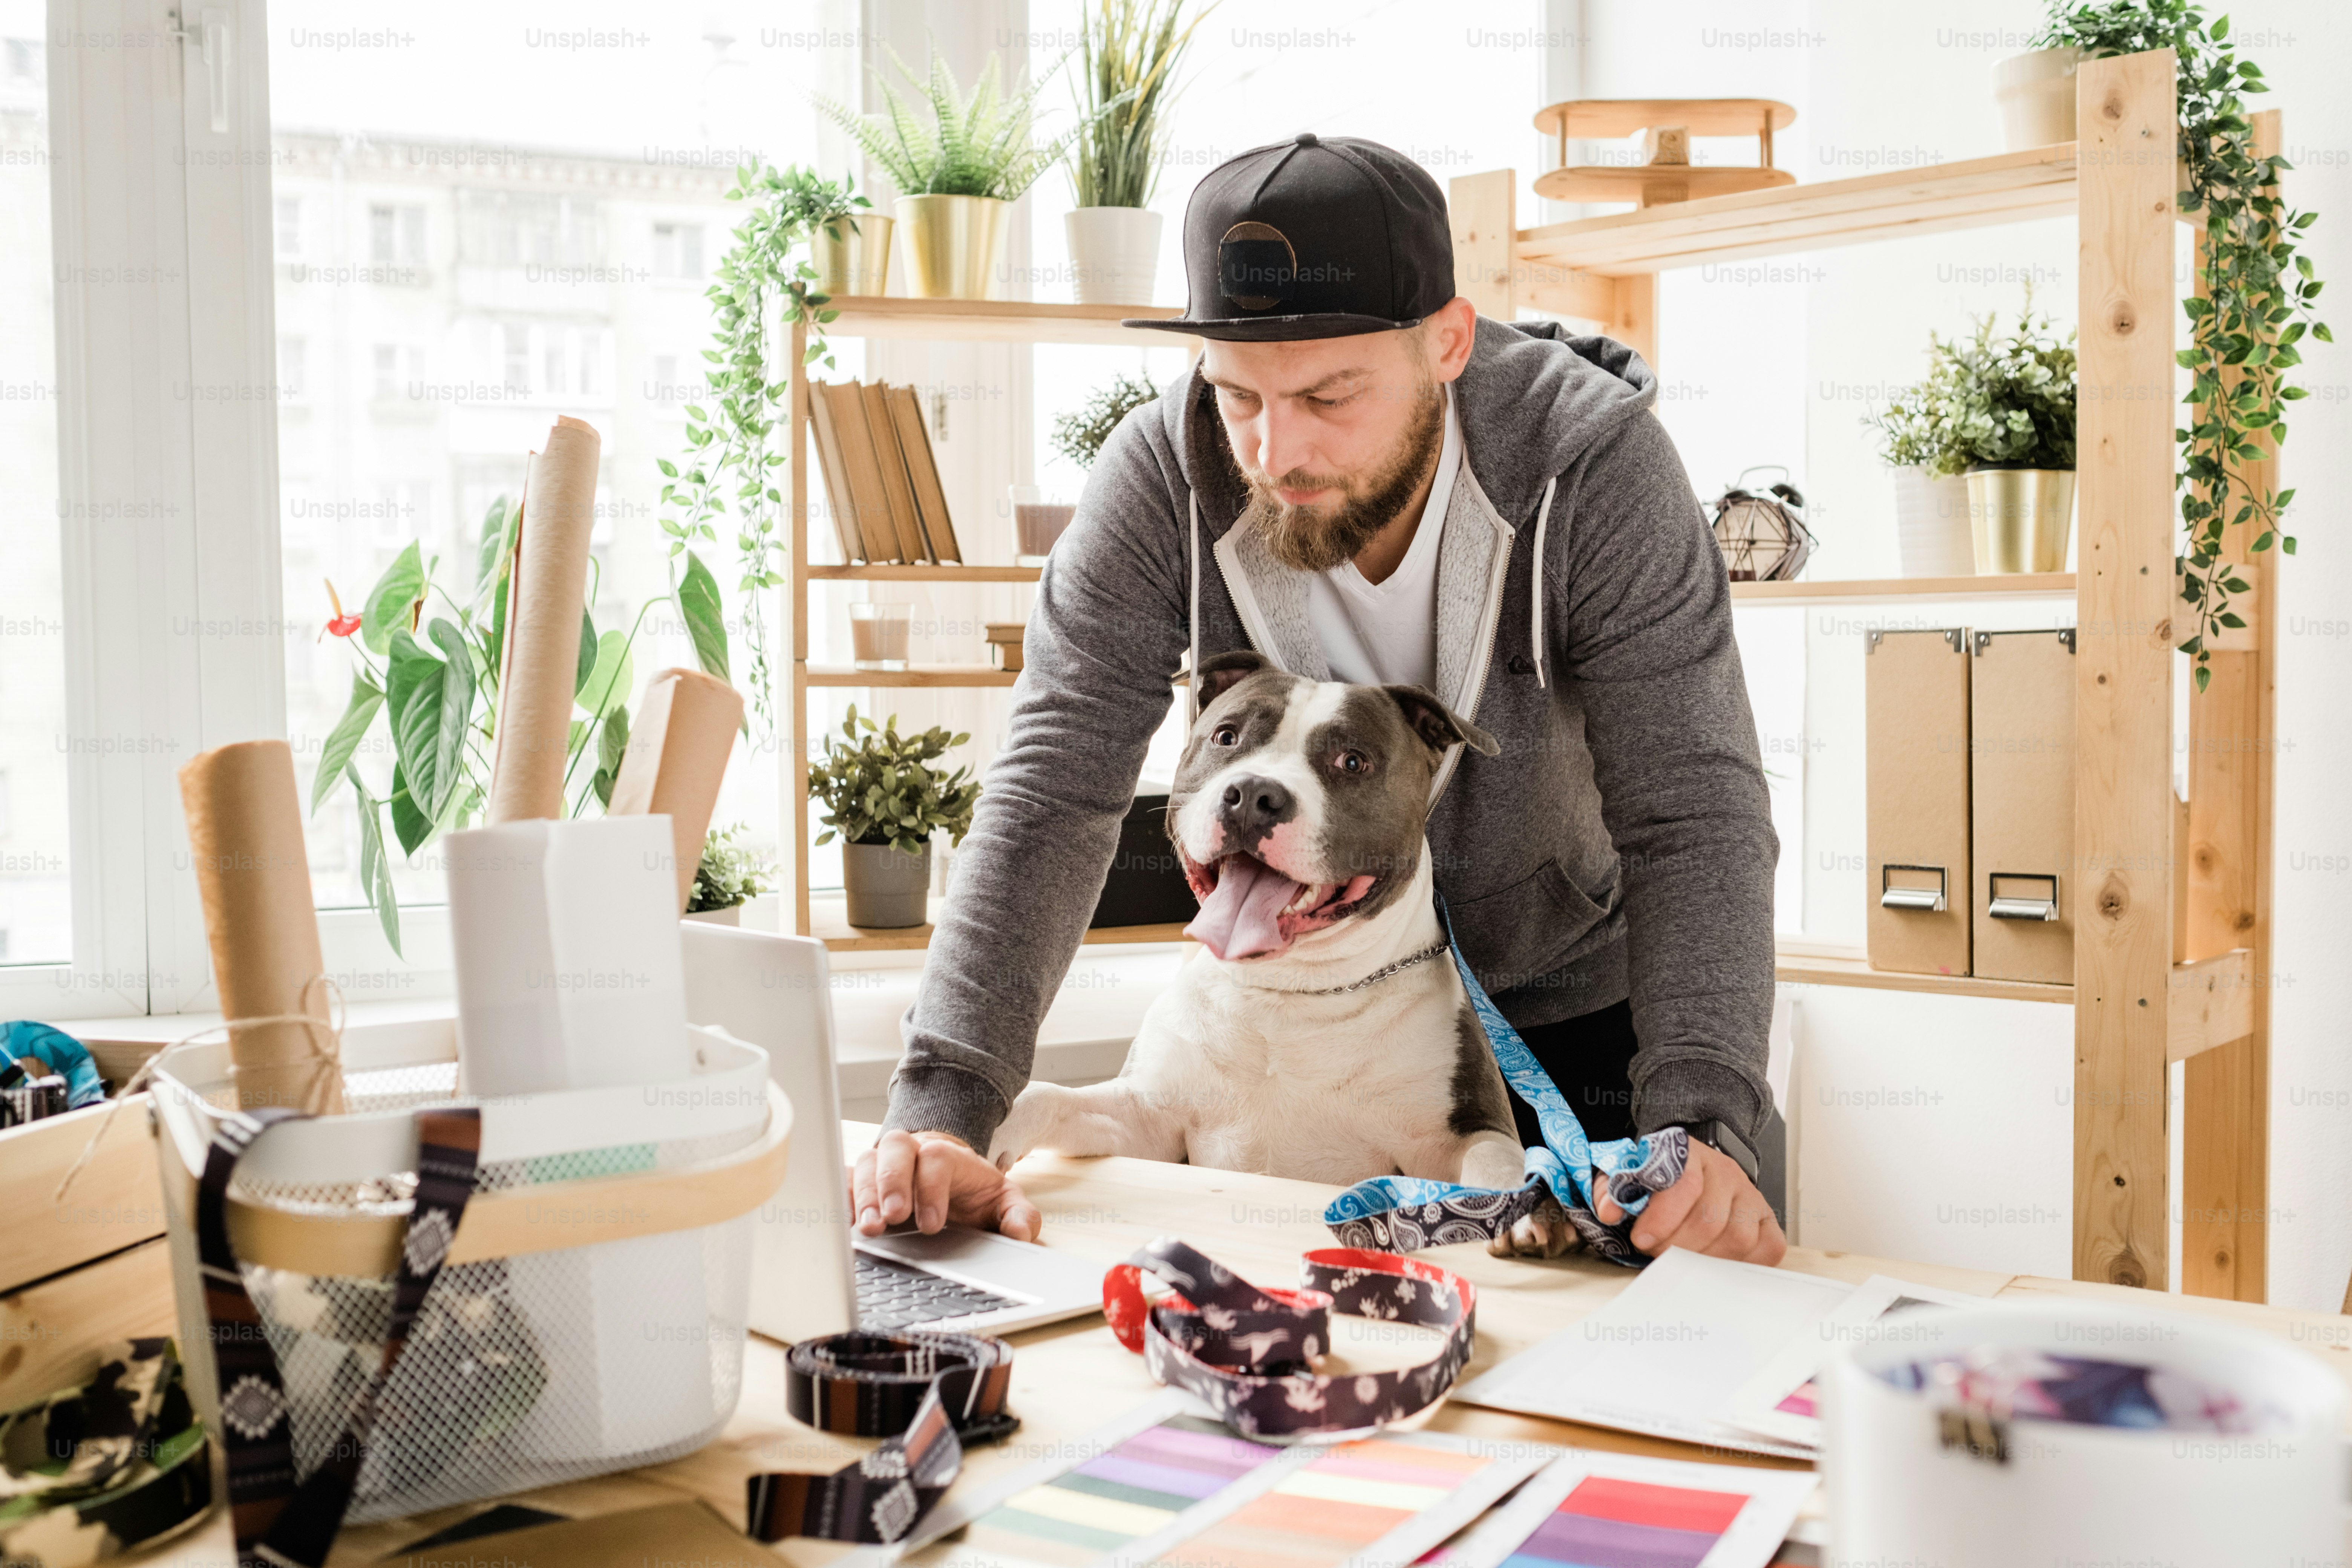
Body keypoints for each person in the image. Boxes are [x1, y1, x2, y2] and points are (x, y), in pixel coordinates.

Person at [851, 132, 1786, 1265]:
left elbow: (1694, 810)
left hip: (1585, 1015)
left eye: (1329, 394)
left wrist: (1704, 1116)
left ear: (1448, 340)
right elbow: (1051, 785)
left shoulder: (1592, 465)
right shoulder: (1160, 474)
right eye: (1238, 394)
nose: (1276, 449)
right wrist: (947, 1107)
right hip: (1286, 1018)